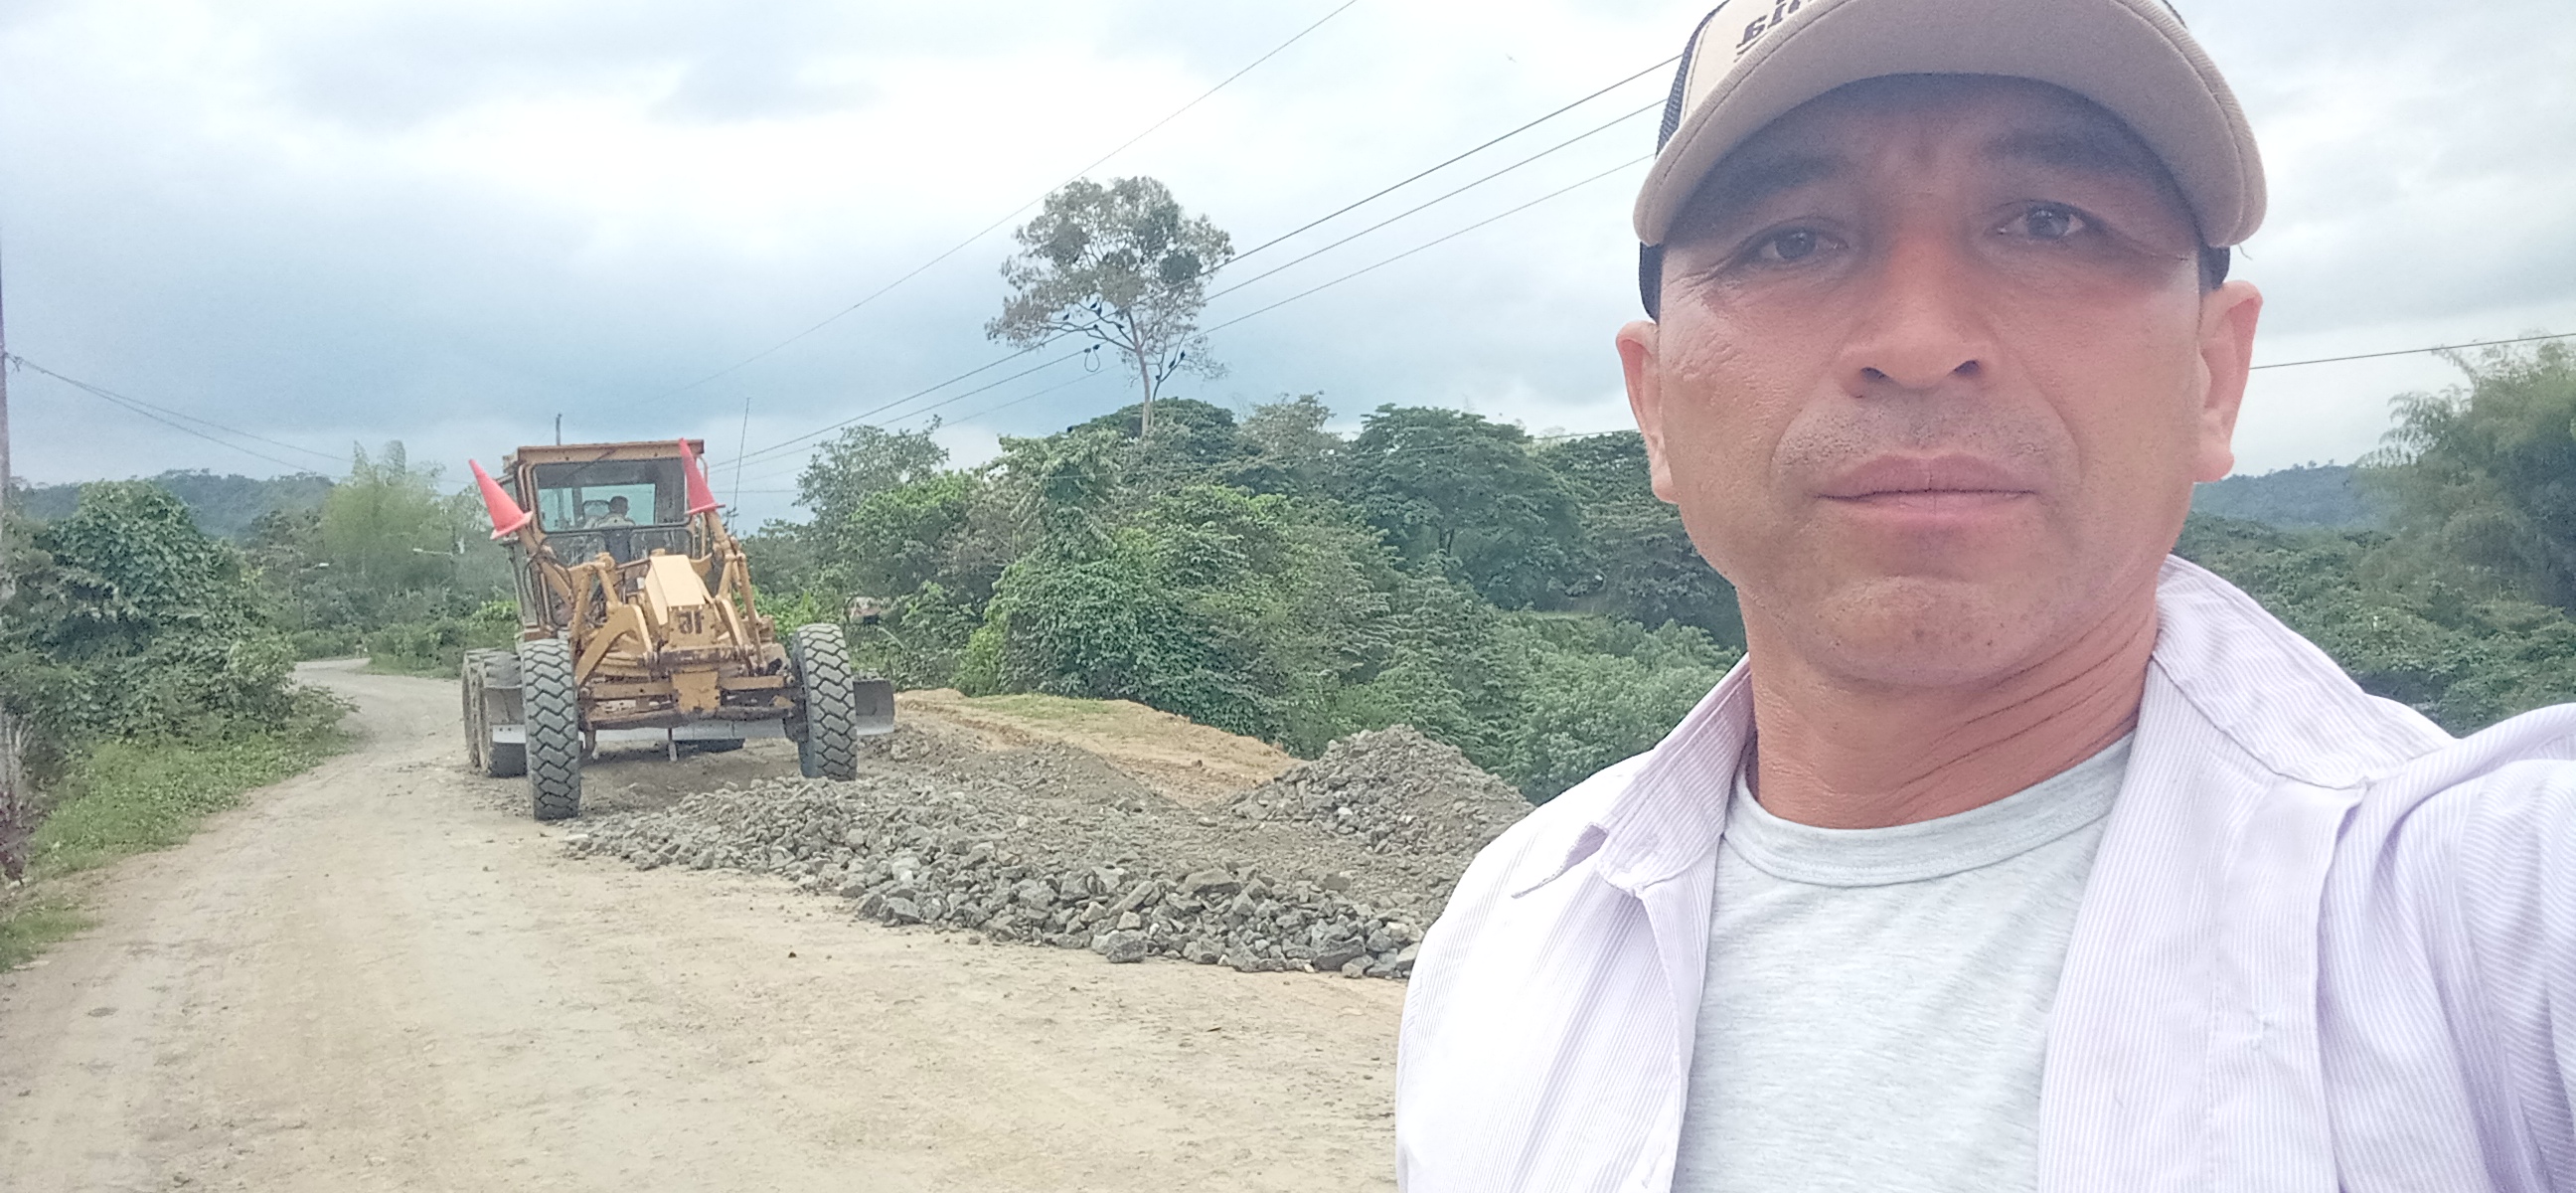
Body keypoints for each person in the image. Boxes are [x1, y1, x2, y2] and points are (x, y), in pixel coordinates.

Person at [1393, 2, 2576, 1190]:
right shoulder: (1513, 931)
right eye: (1790, 241)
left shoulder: (2506, 910)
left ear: (2213, 378)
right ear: (1655, 406)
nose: (1919, 341)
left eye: (2051, 221)